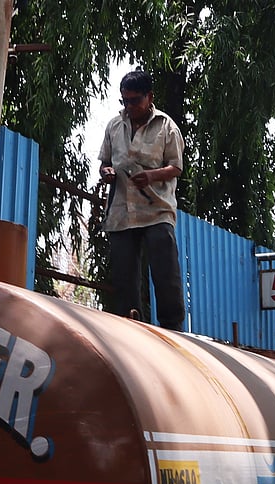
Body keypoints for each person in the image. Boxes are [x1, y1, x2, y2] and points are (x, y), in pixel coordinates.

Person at [98, 70, 186, 331]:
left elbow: (176, 167)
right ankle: (131, 326)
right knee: (124, 275)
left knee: (165, 272)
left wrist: (151, 176)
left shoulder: (167, 127)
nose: (129, 106)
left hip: (156, 210)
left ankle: (173, 328)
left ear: (150, 97)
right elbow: (104, 162)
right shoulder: (114, 125)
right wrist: (107, 173)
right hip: (121, 213)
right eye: (124, 101)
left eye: (135, 100)